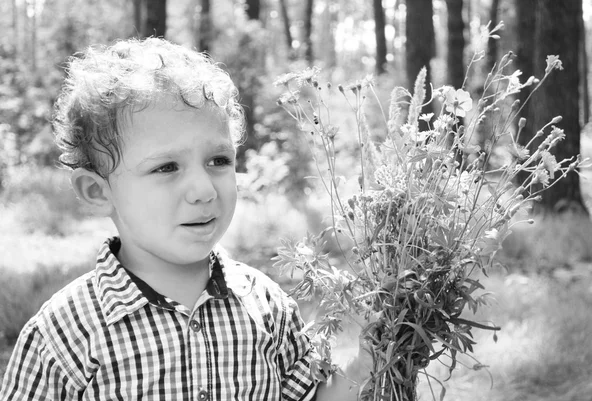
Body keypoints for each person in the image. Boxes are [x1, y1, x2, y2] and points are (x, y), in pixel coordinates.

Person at [0, 37, 364, 400]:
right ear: (98, 191)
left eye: (219, 161)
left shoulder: (267, 307)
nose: (204, 189)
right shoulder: (63, 336)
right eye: (167, 167)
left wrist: (368, 359)